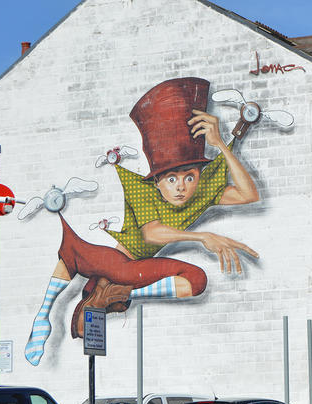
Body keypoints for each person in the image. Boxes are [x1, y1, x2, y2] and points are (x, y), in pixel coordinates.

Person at [24, 78, 259, 366]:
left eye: (189, 177)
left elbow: (248, 194)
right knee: (72, 247)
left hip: (135, 273)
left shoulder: (202, 194)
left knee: (197, 281)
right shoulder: (141, 189)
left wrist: (221, 144)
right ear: (157, 180)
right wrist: (203, 237)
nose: (181, 187)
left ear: (198, 176)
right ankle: (42, 316)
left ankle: (119, 292)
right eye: (171, 179)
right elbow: (153, 234)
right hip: (109, 260)